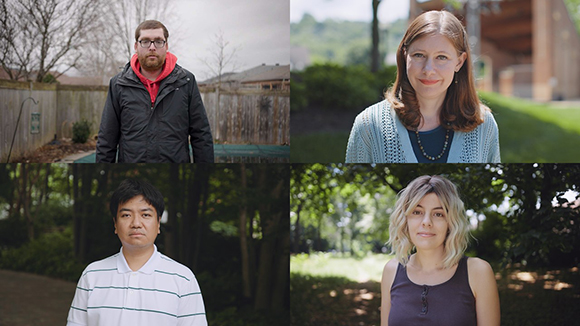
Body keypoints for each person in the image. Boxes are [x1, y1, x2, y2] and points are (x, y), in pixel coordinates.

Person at [346, 11, 500, 163]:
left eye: (441, 57)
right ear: (405, 55)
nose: (428, 70)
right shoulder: (368, 125)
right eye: (419, 55)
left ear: (459, 62)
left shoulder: (484, 125)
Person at [67, 179, 207, 326]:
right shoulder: (92, 274)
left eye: (145, 215)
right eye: (126, 215)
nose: (136, 224)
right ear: (115, 224)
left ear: (158, 223)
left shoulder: (183, 278)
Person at [381, 175, 500, 326]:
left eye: (438, 214)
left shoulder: (478, 272)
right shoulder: (391, 271)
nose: (426, 222)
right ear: (405, 220)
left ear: (451, 222)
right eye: (417, 212)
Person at [96, 20, 214, 163]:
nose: (152, 47)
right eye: (145, 41)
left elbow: (201, 135)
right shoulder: (118, 84)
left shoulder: (186, 81)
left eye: (158, 41)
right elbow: (107, 138)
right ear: (136, 46)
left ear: (166, 46)